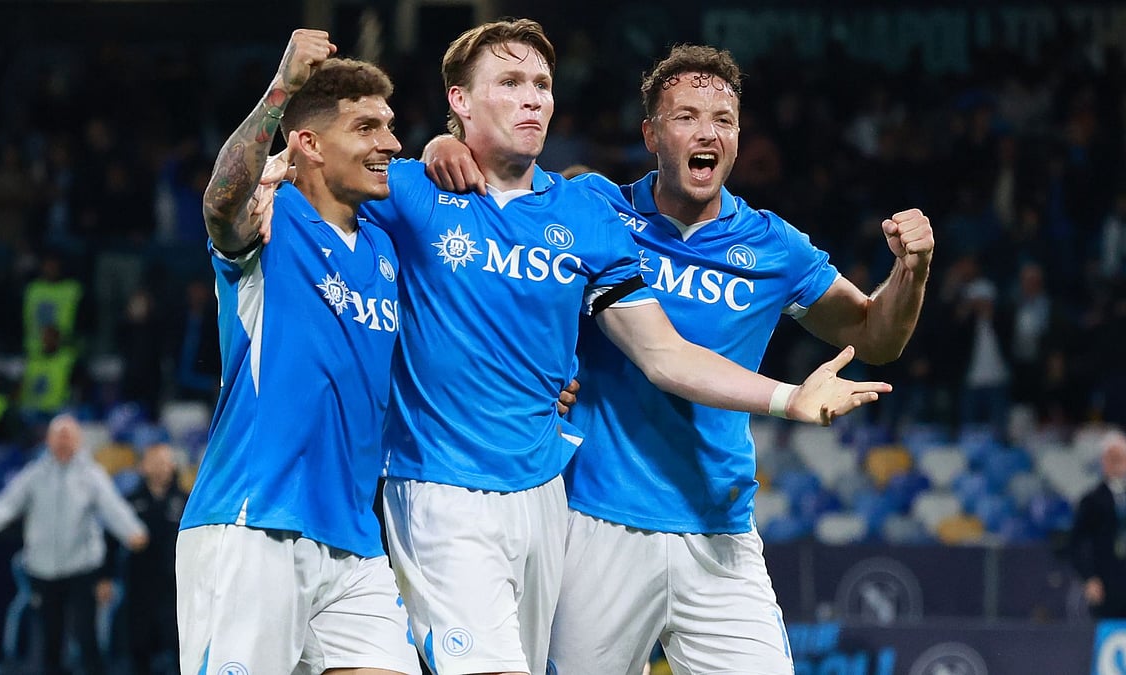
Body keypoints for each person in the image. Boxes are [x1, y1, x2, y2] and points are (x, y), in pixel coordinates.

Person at [260, 21, 891, 675]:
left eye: (540, 84)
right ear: (460, 99)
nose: (531, 97)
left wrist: (792, 393)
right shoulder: (428, 188)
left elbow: (664, 354)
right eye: (509, 83)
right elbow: (305, 168)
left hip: (573, 507)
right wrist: (315, 102)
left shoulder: (591, 213)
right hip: (480, 496)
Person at [423, 43, 933, 675]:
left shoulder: (774, 247)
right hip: (596, 523)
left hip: (719, 529)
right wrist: (442, 148)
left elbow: (875, 338)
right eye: (686, 116)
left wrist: (911, 272)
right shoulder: (594, 209)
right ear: (651, 135)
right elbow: (506, 187)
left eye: (723, 119)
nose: (707, 132)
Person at [175, 29, 420, 675]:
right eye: (367, 127)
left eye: (390, 127)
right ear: (307, 142)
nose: (390, 144)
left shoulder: (385, 251)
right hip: (255, 521)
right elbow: (220, 200)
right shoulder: (269, 217)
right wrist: (281, 88)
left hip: (353, 539)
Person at [0, 414, 148, 675]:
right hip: (43, 570)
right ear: (48, 440)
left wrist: (133, 531)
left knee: (86, 635)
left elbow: (112, 507)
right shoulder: (34, 475)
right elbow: (6, 504)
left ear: (78, 441)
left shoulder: (91, 475)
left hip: (82, 568)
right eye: (58, 437)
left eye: (68, 437)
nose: (63, 442)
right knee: (51, 638)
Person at [116, 443, 187, 675]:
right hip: (138, 586)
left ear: (173, 466)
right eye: (155, 462)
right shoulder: (128, 502)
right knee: (138, 649)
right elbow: (110, 539)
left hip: (175, 588)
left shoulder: (187, 501)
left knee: (178, 649)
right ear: (143, 466)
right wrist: (104, 577)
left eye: (165, 462)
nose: (160, 467)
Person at [1069, 429, 1126, 619]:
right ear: (1103, 461)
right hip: (1107, 582)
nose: (1117, 463)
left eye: (1121, 457)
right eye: (1112, 458)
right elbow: (1078, 542)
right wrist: (1089, 577)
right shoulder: (1092, 500)